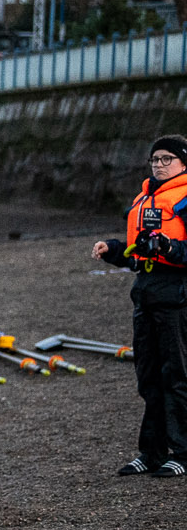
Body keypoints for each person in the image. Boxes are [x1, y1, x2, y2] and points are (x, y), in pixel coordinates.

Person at [93, 134, 187, 478]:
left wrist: (170, 249)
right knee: (148, 377)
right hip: (146, 294)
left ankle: (183, 452)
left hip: (178, 298)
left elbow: (177, 251)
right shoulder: (144, 199)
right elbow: (138, 253)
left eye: (167, 159)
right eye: (155, 160)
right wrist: (114, 250)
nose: (159, 165)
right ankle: (151, 451)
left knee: (177, 377)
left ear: (183, 163)